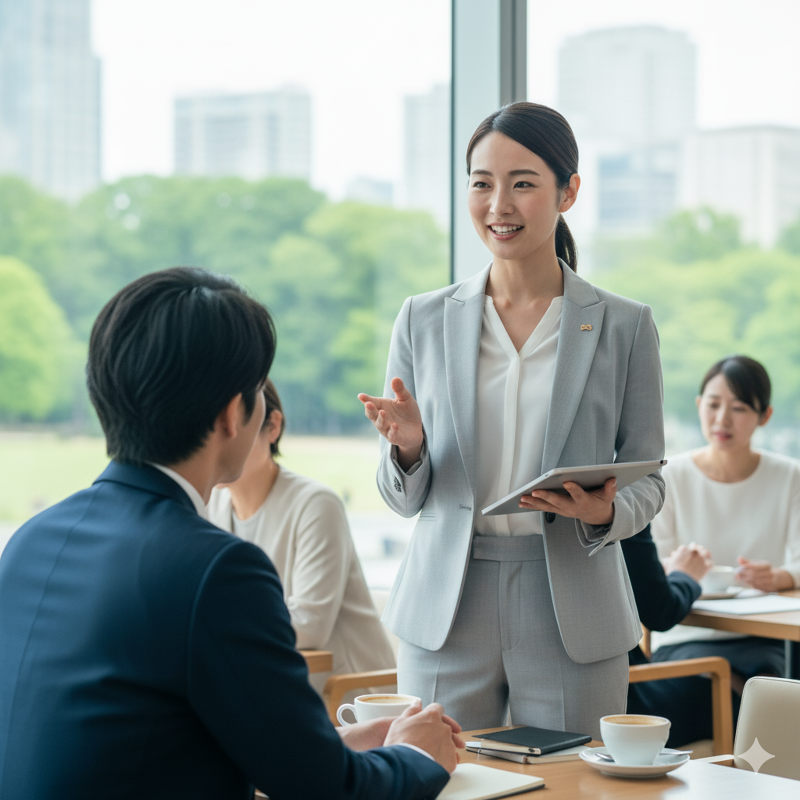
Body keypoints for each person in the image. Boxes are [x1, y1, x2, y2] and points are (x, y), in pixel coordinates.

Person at [0, 268, 461, 800]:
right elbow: (330, 791)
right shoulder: (214, 569)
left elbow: (145, 737)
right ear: (230, 415)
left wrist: (344, 740)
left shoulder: (31, 540)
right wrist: (417, 754)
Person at [357, 102, 666, 739]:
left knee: (572, 785)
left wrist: (603, 513)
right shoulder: (421, 318)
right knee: (436, 778)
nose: (499, 203)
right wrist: (409, 451)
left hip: (574, 606)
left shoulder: (625, 326)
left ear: (569, 191)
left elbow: (651, 478)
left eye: (523, 183)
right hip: (447, 601)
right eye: (481, 183)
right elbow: (401, 498)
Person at [208, 379, 395, 694]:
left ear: (273, 426)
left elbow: (309, 626)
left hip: (349, 697)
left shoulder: (316, 504)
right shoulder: (211, 505)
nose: (221, 439)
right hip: (271, 684)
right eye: (212, 426)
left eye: (234, 424)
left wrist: (220, 626)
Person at [652, 354, 800, 686]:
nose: (722, 420)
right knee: (736, 687)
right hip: (685, 635)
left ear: (765, 416)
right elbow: (653, 567)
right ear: (699, 405)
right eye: (713, 405)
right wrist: (682, 570)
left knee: (773, 682)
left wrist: (780, 576)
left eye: (739, 408)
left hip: (766, 637)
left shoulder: (790, 476)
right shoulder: (668, 476)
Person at [622, 525, 741, 746]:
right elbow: (660, 611)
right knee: (735, 702)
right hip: (623, 700)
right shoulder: (620, 506)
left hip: (551, 700)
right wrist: (685, 575)